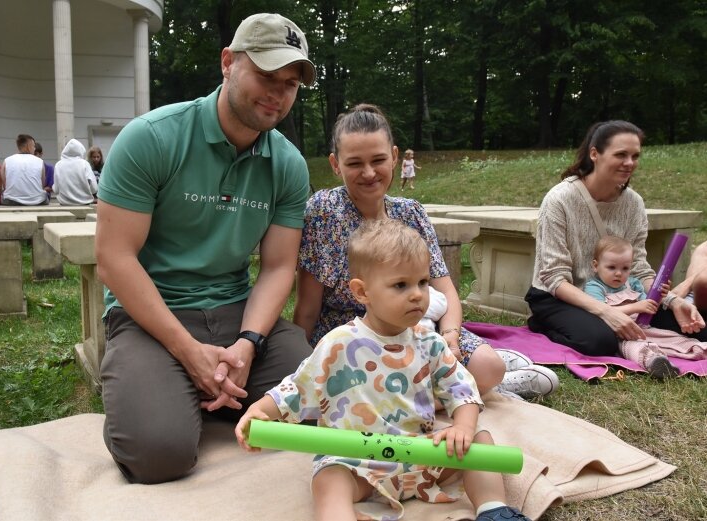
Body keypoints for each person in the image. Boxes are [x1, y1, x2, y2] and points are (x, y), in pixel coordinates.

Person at [95, 12, 317, 485]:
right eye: (266, 75)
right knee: (159, 455)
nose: (278, 93)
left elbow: (279, 268)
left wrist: (248, 344)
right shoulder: (151, 138)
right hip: (151, 316)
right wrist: (189, 351)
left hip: (238, 315)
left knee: (325, 407)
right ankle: (170, 394)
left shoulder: (288, 164)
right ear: (227, 62)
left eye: (292, 83)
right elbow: (114, 259)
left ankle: (210, 390)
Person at [235, 219, 530, 521]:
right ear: (362, 292)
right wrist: (259, 411)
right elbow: (296, 389)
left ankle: (493, 509)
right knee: (329, 477)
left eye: (423, 282)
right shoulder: (338, 344)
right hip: (359, 464)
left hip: (421, 455)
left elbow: (461, 389)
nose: (417, 294)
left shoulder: (428, 341)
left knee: (480, 441)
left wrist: (462, 429)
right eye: (401, 285)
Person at [294, 104, 558, 399]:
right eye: (355, 163)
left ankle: (492, 378)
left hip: (418, 328)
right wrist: (301, 370)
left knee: (488, 367)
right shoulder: (323, 212)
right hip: (355, 335)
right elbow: (307, 307)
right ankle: (479, 389)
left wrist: (450, 339)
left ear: (394, 156)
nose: (369, 173)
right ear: (335, 163)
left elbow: (445, 290)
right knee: (383, 390)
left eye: (378, 160)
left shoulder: (411, 213)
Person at [525, 120, 707, 357]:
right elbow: (554, 278)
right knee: (601, 341)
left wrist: (674, 302)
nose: (630, 163)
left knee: (699, 330)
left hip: (620, 294)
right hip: (559, 297)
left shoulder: (634, 203)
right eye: (621, 154)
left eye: (635, 156)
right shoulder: (559, 199)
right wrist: (605, 312)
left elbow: (640, 270)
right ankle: (541, 324)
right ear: (594, 154)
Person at [583, 236, 705, 376]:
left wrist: (660, 296)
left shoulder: (632, 283)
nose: (618, 273)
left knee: (673, 338)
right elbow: (603, 312)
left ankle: (699, 349)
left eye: (625, 268)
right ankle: (656, 363)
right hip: (621, 335)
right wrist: (636, 307)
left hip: (643, 328)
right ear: (595, 266)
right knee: (636, 348)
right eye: (611, 267)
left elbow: (648, 306)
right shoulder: (594, 287)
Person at [0, 134, 48, 206]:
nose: (34, 148)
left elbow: (5, 185)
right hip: (37, 200)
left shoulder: (7, 161)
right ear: (28, 146)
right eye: (33, 146)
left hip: (11, 200)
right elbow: (42, 184)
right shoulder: (39, 161)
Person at [52, 139, 98, 205]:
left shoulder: (58, 165)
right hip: (84, 203)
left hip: (64, 204)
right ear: (81, 150)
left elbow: (56, 190)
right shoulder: (84, 164)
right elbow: (94, 188)